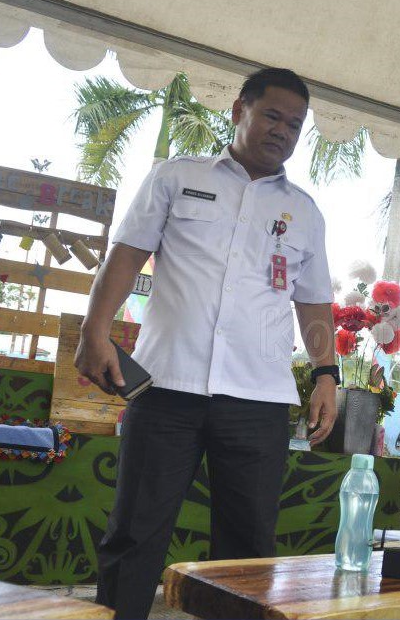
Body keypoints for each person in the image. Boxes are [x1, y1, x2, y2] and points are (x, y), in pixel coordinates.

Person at [75, 68, 339, 619]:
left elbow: (313, 302)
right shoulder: (175, 176)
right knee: (134, 534)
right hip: (165, 388)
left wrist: (326, 374)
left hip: (258, 402)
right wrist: (93, 331)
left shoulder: (305, 212)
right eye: (272, 115)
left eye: (295, 124)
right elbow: (125, 255)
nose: (282, 131)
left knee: (246, 553)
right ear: (239, 109)